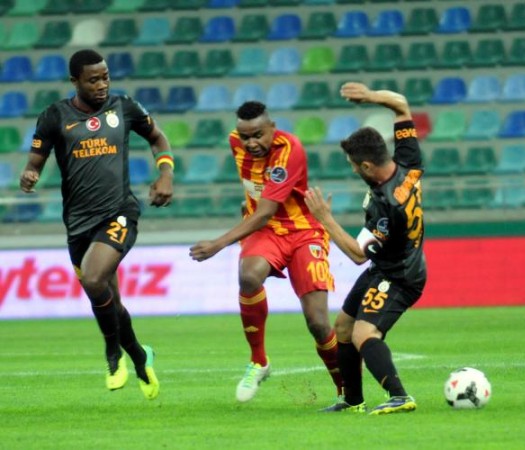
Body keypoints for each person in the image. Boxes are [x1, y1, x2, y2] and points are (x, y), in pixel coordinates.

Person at [19, 49, 174, 400]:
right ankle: (140, 356)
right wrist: (30, 174)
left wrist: (165, 174)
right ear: (75, 81)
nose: (102, 84)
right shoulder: (54, 116)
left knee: (92, 278)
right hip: (78, 224)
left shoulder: (124, 107)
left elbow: (158, 138)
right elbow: (34, 162)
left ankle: (112, 352)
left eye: (105, 77)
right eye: (93, 80)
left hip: (119, 212)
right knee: (109, 301)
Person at [189, 101, 343, 403]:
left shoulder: (289, 150)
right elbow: (258, 205)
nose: (251, 143)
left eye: (258, 135)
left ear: (272, 128)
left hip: (302, 232)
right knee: (248, 276)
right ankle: (259, 361)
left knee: (318, 322)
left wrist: (219, 243)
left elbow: (266, 211)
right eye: (245, 137)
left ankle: (346, 390)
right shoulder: (235, 142)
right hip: (267, 232)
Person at [304, 82, 426, 415]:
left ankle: (400, 396)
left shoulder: (386, 206)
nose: (353, 169)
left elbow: (358, 254)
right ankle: (353, 400)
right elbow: (401, 104)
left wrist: (324, 219)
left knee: (363, 332)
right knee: (343, 327)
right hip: (385, 267)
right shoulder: (408, 164)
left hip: (399, 276)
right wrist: (371, 97)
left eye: (354, 165)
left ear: (367, 166)